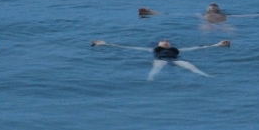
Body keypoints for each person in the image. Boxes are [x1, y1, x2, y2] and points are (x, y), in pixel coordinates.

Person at [91, 38, 230, 80]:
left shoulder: (177, 50)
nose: (165, 42)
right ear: (158, 44)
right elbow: (128, 47)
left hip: (176, 59)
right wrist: (107, 44)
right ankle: (150, 78)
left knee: (191, 67)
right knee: (156, 68)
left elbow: (197, 48)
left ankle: (206, 75)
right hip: (160, 59)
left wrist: (217, 45)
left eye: (167, 41)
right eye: (163, 41)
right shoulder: (153, 50)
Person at [138, 2, 259, 24]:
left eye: (214, 6)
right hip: (216, 24)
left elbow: (251, 15)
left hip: (214, 24)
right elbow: (170, 15)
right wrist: (150, 12)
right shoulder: (202, 15)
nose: (213, 6)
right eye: (211, 5)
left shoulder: (204, 15)